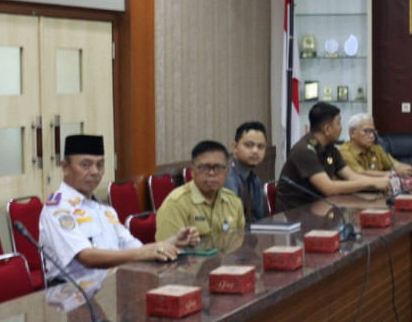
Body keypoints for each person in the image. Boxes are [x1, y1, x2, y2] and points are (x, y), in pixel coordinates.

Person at [40, 134, 197, 287]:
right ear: (65, 167)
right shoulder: (58, 210)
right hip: (72, 296)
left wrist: (170, 243)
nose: (95, 171)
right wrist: (148, 251)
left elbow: (131, 248)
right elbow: (86, 257)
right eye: (85, 165)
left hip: (109, 289)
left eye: (100, 165)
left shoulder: (103, 210)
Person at [276, 102, 392, 211]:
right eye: (338, 123)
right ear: (327, 129)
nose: (341, 128)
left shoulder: (330, 149)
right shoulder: (304, 151)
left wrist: (381, 181)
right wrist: (371, 182)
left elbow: (351, 176)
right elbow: (328, 188)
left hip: (320, 209)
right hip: (296, 214)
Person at [157, 140, 245, 244]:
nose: (212, 173)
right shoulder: (176, 203)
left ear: (226, 173)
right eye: (204, 168)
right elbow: (167, 250)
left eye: (218, 168)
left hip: (227, 260)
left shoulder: (234, 201)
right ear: (192, 172)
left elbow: (240, 245)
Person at [339, 113, 412, 179]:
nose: (372, 136)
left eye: (373, 131)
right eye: (367, 131)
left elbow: (395, 165)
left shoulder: (376, 149)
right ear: (352, 133)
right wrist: (394, 174)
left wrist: (411, 170)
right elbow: (359, 173)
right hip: (353, 197)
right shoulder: (344, 151)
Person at [224, 121, 270, 222]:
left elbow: (261, 218)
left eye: (261, 147)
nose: (255, 151)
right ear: (235, 147)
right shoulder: (227, 177)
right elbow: (229, 224)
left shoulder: (254, 179)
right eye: (249, 145)